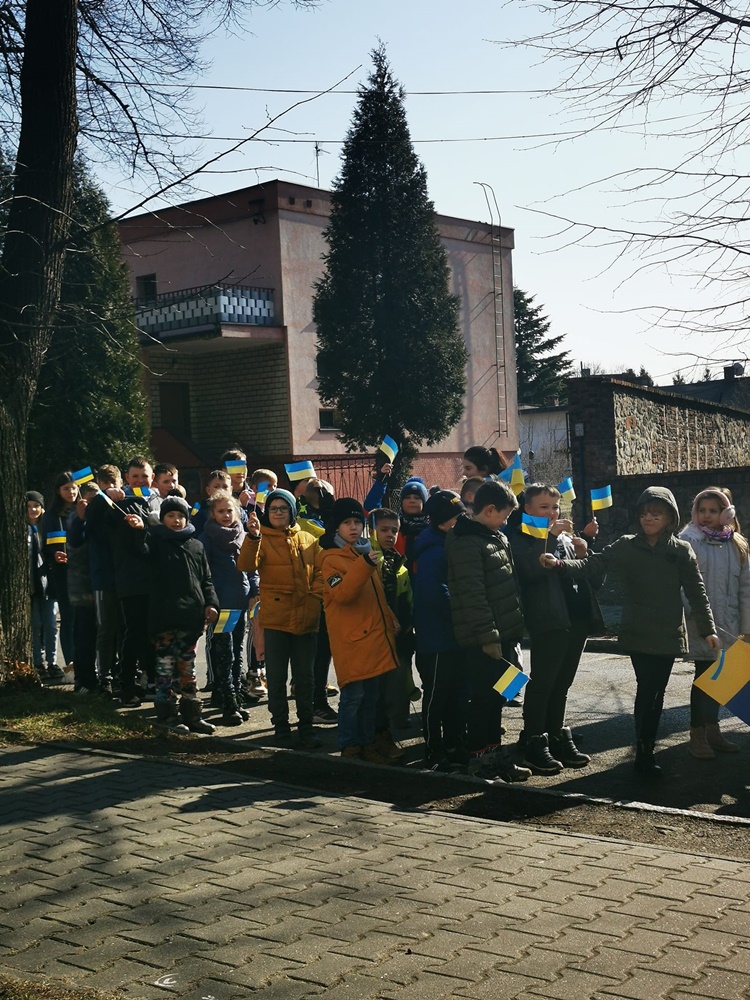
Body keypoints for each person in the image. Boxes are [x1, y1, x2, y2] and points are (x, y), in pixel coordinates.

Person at [540, 485, 719, 776]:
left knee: (657, 692)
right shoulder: (626, 545)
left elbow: (697, 592)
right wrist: (561, 564)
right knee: (646, 688)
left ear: (670, 518)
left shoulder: (680, 550)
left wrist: (708, 629)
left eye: (656, 514)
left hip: (668, 632)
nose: (649, 519)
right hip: (638, 630)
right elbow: (594, 564)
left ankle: (646, 746)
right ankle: (644, 752)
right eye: (645, 513)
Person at [510, 483, 603, 775]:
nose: (552, 513)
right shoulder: (521, 536)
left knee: (562, 683)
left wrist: (584, 552)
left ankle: (555, 735)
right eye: (544, 507)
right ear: (528, 510)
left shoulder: (564, 538)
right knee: (543, 683)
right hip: (549, 618)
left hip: (577, 617)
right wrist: (549, 536)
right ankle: (533, 741)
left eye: (555, 507)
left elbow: (590, 577)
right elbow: (530, 570)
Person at [445, 479, 531, 783]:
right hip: (484, 638)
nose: (506, 522)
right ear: (490, 509)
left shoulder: (494, 536)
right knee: (485, 700)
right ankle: (482, 759)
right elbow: (473, 595)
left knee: (502, 694)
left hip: (504, 633)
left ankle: (494, 754)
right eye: (504, 516)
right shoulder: (467, 542)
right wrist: (488, 636)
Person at [124, 496, 219, 733]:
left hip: (190, 617)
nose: (176, 520)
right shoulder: (155, 541)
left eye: (180, 516)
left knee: (188, 668)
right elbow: (141, 552)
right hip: (164, 617)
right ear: (162, 518)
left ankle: (192, 713)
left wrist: (211, 603)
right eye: (170, 516)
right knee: (165, 668)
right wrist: (138, 531)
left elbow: (206, 580)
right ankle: (166, 714)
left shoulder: (196, 545)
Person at [238, 488, 323, 749]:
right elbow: (246, 565)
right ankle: (281, 726)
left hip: (306, 617)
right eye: (273, 508)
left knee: (305, 678)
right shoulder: (261, 538)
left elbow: (320, 572)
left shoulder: (308, 539)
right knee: (276, 678)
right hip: (276, 619)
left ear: (292, 511)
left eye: (283, 508)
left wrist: (316, 595)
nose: (277, 513)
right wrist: (253, 537)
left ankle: (306, 726)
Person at [319, 498, 399, 763]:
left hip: (372, 637)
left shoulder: (363, 552)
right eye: (347, 522)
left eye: (357, 522)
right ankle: (350, 746)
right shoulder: (330, 558)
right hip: (351, 640)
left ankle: (367, 744)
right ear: (336, 526)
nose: (353, 527)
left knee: (371, 696)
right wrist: (364, 565)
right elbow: (342, 594)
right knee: (354, 697)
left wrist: (390, 617)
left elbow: (375, 596)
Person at [678, 487, 750, 759]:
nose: (706, 515)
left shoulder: (738, 545)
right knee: (704, 676)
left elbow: (746, 589)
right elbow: (682, 586)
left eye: (713, 510)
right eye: (702, 510)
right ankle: (697, 734)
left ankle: (712, 729)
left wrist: (747, 628)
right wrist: (696, 617)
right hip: (701, 624)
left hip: (729, 623)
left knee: (720, 679)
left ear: (726, 513)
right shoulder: (689, 541)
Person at [413, 491, 469, 769]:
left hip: (453, 636)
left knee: (457, 694)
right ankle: (434, 751)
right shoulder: (433, 551)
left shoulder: (448, 544)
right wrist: (465, 609)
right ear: (444, 522)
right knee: (436, 697)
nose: (463, 522)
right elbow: (436, 594)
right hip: (436, 638)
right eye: (459, 517)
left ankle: (455, 744)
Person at [199, 490, 253, 727]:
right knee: (224, 651)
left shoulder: (242, 534)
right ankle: (228, 701)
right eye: (220, 511)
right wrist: (210, 601)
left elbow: (251, 567)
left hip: (240, 601)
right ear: (212, 514)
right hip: (222, 604)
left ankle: (235, 695)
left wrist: (254, 590)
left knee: (238, 650)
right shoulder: (207, 538)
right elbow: (205, 573)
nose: (226, 515)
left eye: (229, 510)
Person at [370, 506, 415, 754]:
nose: (390, 535)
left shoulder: (399, 563)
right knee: (375, 690)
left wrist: (407, 626)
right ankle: (376, 737)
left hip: (397, 635)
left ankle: (388, 731)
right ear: (372, 531)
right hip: (374, 635)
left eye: (394, 530)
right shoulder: (368, 558)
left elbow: (406, 601)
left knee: (394, 685)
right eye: (384, 530)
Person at [41, 471, 79, 673]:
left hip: (84, 571)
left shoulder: (83, 511)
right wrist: (54, 555)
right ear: (58, 491)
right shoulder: (51, 516)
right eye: (66, 488)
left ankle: (88, 662)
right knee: (69, 617)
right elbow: (46, 546)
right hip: (63, 573)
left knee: (86, 619)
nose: (71, 492)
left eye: (74, 487)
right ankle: (71, 664)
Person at [27, 491, 62, 683]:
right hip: (31, 585)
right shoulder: (21, 530)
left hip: (48, 583)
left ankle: (52, 662)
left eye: (36, 506)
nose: (33, 510)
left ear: (42, 508)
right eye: (28, 506)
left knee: (51, 624)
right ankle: (37, 662)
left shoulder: (46, 528)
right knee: (35, 624)